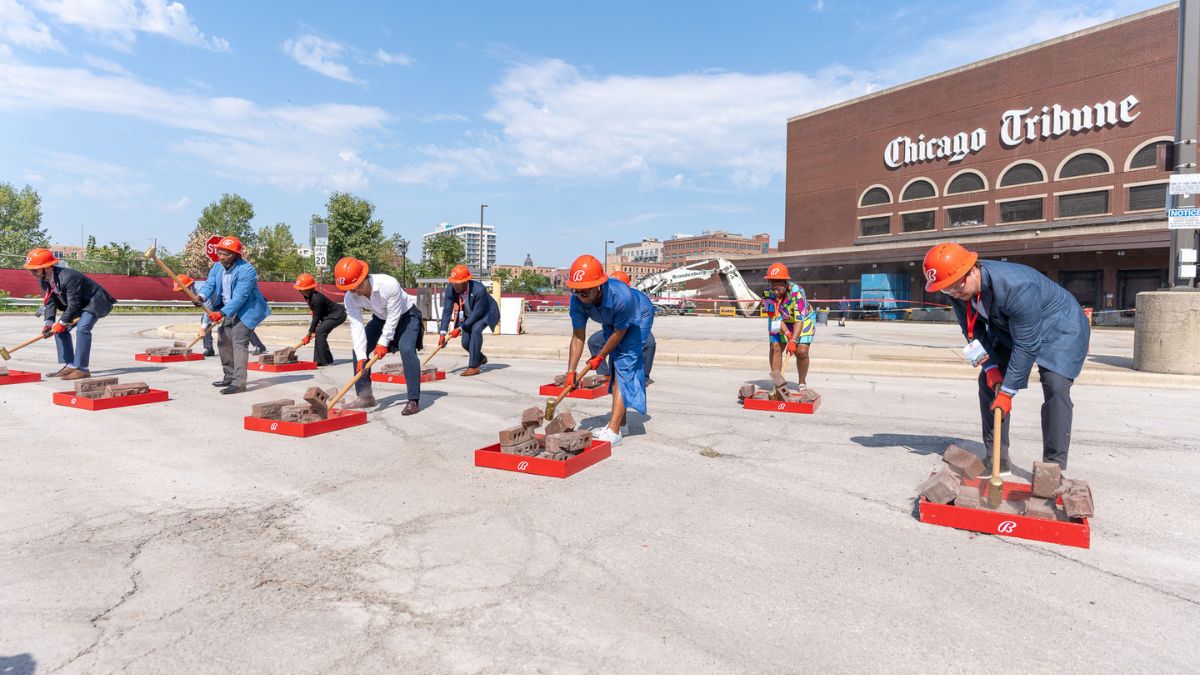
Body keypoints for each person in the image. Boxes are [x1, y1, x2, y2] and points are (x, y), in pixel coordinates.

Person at [923, 242, 1089, 473]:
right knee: (988, 383)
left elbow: (1027, 344)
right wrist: (990, 368)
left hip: (1060, 328)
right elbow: (973, 333)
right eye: (946, 289)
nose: (953, 293)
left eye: (955, 287)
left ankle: (1053, 469)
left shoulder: (1017, 287)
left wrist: (1008, 392)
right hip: (1010, 328)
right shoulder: (957, 290)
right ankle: (997, 457)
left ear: (972, 270)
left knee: (1055, 386)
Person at [565, 255, 653, 446]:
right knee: (614, 367)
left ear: (598, 285)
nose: (581, 295)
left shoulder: (621, 297)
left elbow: (620, 332)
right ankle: (621, 424)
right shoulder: (578, 299)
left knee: (624, 366)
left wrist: (600, 356)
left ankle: (614, 432)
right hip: (611, 319)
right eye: (577, 290)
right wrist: (571, 371)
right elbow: (578, 336)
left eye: (586, 291)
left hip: (638, 316)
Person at [334, 256, 424, 415]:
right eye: (350, 289)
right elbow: (356, 326)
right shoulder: (350, 297)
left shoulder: (389, 284)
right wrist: (362, 356)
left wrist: (383, 343)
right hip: (381, 318)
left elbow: (394, 317)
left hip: (406, 316)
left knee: (406, 349)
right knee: (358, 350)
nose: (354, 291)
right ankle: (365, 396)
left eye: (356, 286)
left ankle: (413, 400)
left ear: (364, 277)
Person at [23, 247, 116, 380]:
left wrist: (61, 323)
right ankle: (71, 365)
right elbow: (50, 301)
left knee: (82, 329)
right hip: (80, 305)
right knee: (58, 330)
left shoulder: (69, 277)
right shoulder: (43, 280)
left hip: (95, 302)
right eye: (30, 270)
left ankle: (82, 369)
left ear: (48, 267)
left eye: (35, 270)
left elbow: (74, 304)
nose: (32, 273)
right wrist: (48, 324)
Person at [195, 236, 271, 394]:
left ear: (236, 254)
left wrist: (221, 313)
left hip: (247, 309)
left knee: (239, 341)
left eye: (226, 254)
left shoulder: (247, 270)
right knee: (223, 341)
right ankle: (229, 376)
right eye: (220, 253)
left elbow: (240, 298)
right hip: (227, 307)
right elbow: (210, 284)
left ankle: (239, 383)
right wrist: (201, 297)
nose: (222, 257)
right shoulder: (217, 267)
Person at [586, 270, 656, 383]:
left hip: (635, 327)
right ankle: (606, 375)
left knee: (649, 343)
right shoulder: (607, 296)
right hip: (615, 328)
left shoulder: (633, 298)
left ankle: (643, 377)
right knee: (594, 341)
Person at [438, 264, 499, 376]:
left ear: (465, 282)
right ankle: (480, 358)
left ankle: (474, 367)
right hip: (467, 315)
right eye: (453, 283)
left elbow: (477, 313)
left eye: (457, 284)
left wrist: (460, 328)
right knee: (466, 343)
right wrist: (442, 333)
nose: (455, 286)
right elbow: (447, 310)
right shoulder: (451, 289)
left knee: (476, 330)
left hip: (485, 313)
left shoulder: (479, 289)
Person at [762, 263, 815, 389]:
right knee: (775, 347)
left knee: (801, 352)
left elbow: (799, 319)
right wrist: (787, 333)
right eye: (772, 288)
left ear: (786, 284)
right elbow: (775, 319)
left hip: (804, 320)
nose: (775, 292)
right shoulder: (767, 296)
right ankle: (778, 383)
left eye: (778, 289)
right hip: (781, 322)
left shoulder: (797, 293)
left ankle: (802, 382)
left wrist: (793, 340)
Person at [293, 273, 346, 366]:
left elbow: (316, 318)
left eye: (302, 289)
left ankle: (321, 361)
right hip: (328, 315)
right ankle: (327, 359)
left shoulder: (316, 298)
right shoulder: (308, 296)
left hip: (337, 315)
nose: (300, 291)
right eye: (299, 289)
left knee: (320, 331)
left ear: (309, 288)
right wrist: (312, 331)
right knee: (320, 332)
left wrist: (309, 334)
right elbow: (316, 313)